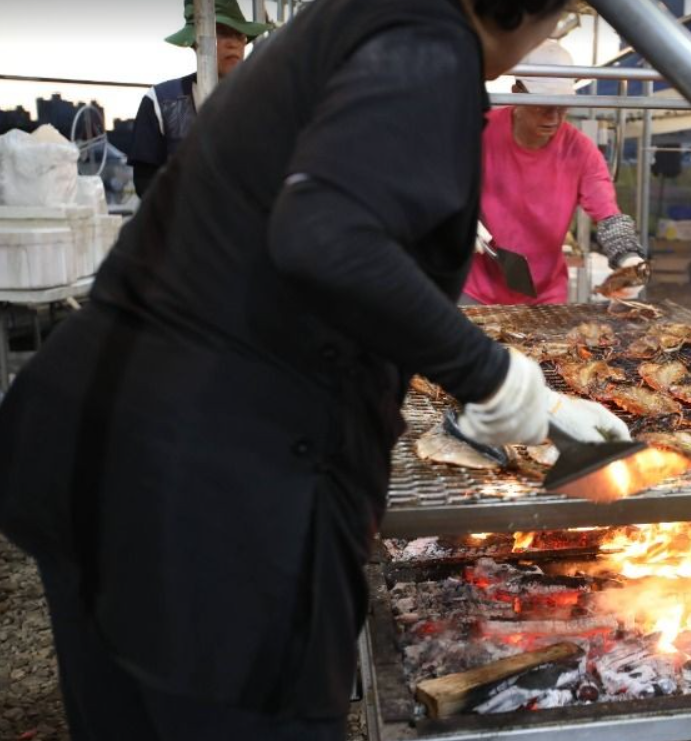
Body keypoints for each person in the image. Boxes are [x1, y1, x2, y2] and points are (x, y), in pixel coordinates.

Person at [0, 0, 628, 737]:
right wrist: (498, 376)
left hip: (102, 445)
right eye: (559, 19)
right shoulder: (428, 41)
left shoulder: (358, 26)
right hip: (208, 493)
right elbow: (326, 236)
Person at [462, 40, 647, 305]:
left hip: (544, 295)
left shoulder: (581, 151)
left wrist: (630, 258)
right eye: (543, 105)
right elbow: (439, 182)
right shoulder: (479, 131)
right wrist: (459, 220)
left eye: (562, 106)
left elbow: (608, 216)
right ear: (517, 92)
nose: (553, 117)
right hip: (476, 289)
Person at [127, 0, 270, 197]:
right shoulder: (160, 102)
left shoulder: (262, 103)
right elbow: (145, 181)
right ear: (194, 41)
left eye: (239, 34)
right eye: (221, 31)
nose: (233, 43)